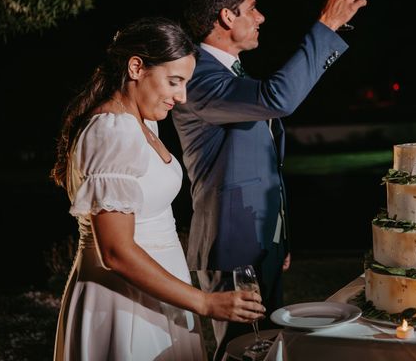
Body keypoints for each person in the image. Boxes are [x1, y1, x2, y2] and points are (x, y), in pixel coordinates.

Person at [172, 0, 366, 359]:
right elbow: (278, 97)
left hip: (261, 239)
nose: (261, 17)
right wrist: (325, 26)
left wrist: (279, 233)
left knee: (271, 347)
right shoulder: (198, 78)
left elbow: (260, 162)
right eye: (252, 9)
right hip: (231, 246)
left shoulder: (231, 73)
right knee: (244, 350)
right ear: (227, 17)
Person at [51, 18, 264, 360]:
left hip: (161, 292)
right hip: (124, 303)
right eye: (174, 82)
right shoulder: (112, 131)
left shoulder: (143, 120)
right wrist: (205, 302)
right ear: (136, 67)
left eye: (185, 84)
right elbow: (116, 252)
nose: (181, 97)